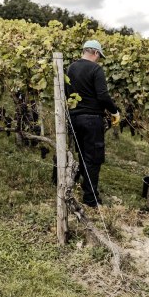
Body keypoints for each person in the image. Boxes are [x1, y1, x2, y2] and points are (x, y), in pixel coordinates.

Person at [66, 40, 119, 207]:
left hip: (74, 118)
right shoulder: (96, 69)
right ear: (95, 53)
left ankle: (83, 187)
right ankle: (91, 199)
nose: (99, 59)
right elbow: (103, 95)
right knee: (93, 158)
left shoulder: (70, 68)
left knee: (82, 154)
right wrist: (114, 111)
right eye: (99, 56)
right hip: (91, 119)